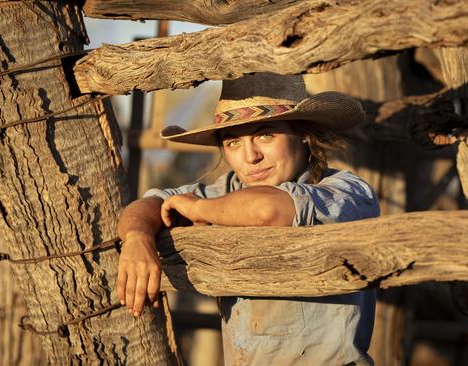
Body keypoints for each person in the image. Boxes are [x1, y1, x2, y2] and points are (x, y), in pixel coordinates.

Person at [116, 73, 380, 365]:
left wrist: (199, 210)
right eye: (233, 143)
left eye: (265, 135)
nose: (250, 156)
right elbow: (147, 204)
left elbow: (267, 209)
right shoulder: (225, 193)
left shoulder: (347, 192)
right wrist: (137, 237)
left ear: (304, 133)